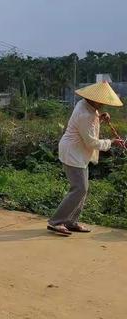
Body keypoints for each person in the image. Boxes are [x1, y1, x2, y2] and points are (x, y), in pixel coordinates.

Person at [48, 81, 124, 236]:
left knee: (83, 189)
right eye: (101, 102)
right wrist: (111, 142)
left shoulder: (86, 106)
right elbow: (91, 141)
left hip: (78, 153)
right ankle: (56, 222)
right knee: (79, 188)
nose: (103, 105)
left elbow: (88, 126)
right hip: (73, 153)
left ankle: (71, 222)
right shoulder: (85, 114)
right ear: (94, 99)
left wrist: (100, 118)